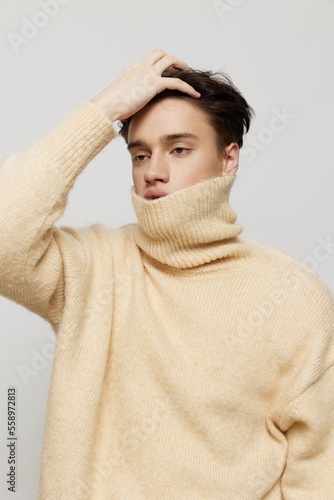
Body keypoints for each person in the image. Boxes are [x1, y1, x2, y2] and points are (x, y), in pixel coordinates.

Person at [0, 48, 333, 499]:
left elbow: (319, 472)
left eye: (179, 149)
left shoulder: (292, 296)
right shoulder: (93, 267)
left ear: (229, 158)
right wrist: (103, 110)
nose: (153, 172)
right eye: (140, 155)